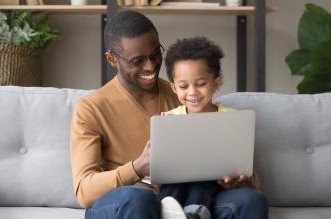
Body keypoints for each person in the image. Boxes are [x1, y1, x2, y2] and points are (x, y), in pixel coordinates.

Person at [70, 10, 267, 219]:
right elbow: (84, 191)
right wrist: (137, 167)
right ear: (112, 59)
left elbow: (237, 164)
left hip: (188, 201)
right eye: (138, 60)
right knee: (140, 199)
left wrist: (240, 180)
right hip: (129, 201)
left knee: (252, 200)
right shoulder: (91, 108)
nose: (151, 66)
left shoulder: (185, 96)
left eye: (156, 54)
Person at [157, 36, 268, 219]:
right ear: (174, 88)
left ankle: (194, 213)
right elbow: (160, 174)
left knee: (208, 167)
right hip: (176, 192)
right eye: (184, 86)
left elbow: (249, 174)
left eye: (201, 84)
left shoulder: (232, 119)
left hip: (217, 189)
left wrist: (238, 180)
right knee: (180, 174)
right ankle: (175, 213)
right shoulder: (168, 120)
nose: (192, 92)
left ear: (216, 83)